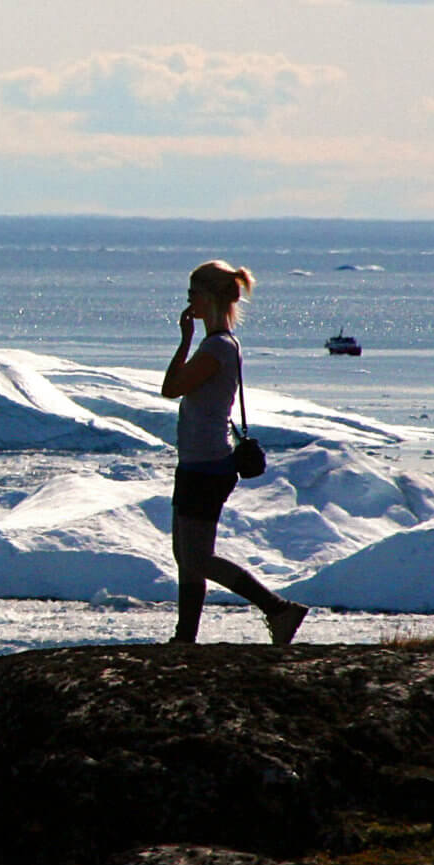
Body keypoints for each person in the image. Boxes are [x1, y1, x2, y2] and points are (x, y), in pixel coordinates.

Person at [159, 259, 308, 646]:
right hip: (197, 462)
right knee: (186, 556)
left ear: (207, 298)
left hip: (206, 465)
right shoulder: (222, 345)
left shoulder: (216, 348)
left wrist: (184, 339)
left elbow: (171, 387)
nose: (188, 300)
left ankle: (278, 609)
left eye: (192, 293)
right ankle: (184, 638)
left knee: (198, 559)